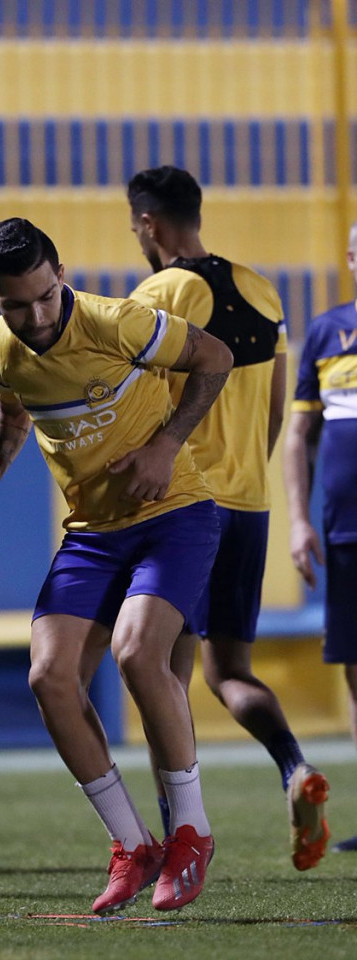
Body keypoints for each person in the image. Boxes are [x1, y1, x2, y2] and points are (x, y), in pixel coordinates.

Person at [0, 217, 232, 914]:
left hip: (173, 516)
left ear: (61, 276)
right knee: (49, 679)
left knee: (138, 654)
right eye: (17, 305)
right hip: (92, 536)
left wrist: (165, 446)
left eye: (46, 297)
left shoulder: (119, 324)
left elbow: (216, 357)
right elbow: (13, 412)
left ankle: (191, 833)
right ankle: (133, 847)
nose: (36, 317)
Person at [126, 165, 329, 871]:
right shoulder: (263, 289)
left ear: (149, 223)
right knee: (231, 670)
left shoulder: (157, 296)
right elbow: (274, 411)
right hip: (249, 505)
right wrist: (246, 475)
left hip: (183, 509)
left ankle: (175, 839)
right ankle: (295, 766)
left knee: (160, 676)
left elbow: (135, 406)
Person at [284, 220, 357, 853]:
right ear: (350, 259)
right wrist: (299, 519)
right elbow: (299, 436)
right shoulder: (327, 332)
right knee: (356, 670)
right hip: (344, 530)